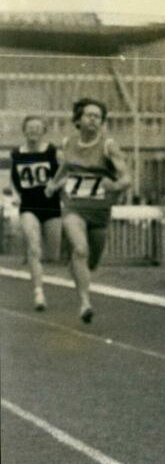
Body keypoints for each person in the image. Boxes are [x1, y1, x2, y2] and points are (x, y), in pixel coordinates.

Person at [44, 98, 132, 323]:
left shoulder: (108, 146)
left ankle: (75, 267)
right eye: (89, 115)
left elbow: (126, 178)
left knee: (90, 262)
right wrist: (54, 184)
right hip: (74, 207)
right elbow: (65, 167)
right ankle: (85, 303)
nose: (93, 120)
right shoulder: (68, 143)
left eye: (98, 117)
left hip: (100, 211)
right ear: (78, 119)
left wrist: (114, 185)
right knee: (80, 249)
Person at [10, 116, 62, 310]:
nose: (33, 131)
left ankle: (42, 273)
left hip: (51, 205)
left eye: (37, 128)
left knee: (53, 255)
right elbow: (13, 180)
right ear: (24, 131)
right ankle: (38, 292)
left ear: (43, 131)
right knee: (33, 247)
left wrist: (54, 184)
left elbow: (64, 175)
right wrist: (16, 195)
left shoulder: (51, 151)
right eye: (30, 128)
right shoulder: (17, 153)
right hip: (29, 205)